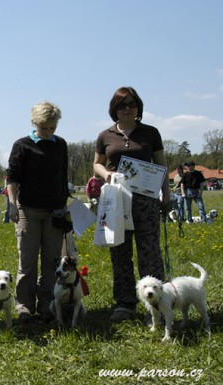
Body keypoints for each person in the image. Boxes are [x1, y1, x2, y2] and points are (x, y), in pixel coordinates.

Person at [93, 86, 170, 322]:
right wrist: (105, 173)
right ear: (113, 109)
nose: (127, 109)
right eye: (121, 105)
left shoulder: (150, 133)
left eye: (131, 104)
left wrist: (166, 195)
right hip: (116, 201)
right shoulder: (105, 136)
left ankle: (157, 305)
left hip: (146, 202)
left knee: (150, 252)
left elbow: (161, 166)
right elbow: (96, 164)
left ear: (138, 107)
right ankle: (125, 304)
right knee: (120, 252)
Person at [6, 101, 69, 323]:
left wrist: (65, 205)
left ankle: (47, 306)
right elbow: (12, 177)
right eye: (45, 127)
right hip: (27, 211)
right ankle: (24, 306)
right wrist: (12, 204)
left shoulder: (60, 145)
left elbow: (63, 177)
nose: (49, 132)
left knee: (52, 263)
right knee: (28, 262)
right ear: (35, 123)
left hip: (55, 212)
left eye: (53, 127)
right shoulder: (22, 145)